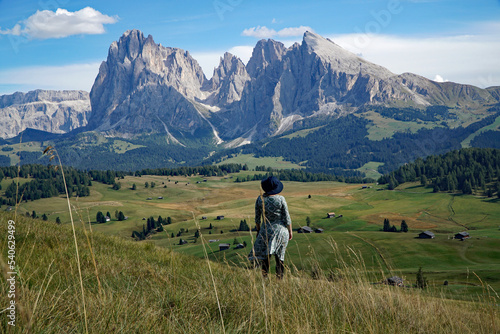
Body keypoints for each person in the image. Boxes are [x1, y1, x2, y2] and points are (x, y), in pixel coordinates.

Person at [248, 176, 293, 279]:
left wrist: (259, 231)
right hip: (281, 230)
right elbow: (287, 217)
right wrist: (290, 231)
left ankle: (265, 279)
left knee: (265, 257)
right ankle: (280, 281)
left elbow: (257, 218)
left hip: (266, 231)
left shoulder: (260, 199)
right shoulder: (281, 199)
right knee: (280, 257)